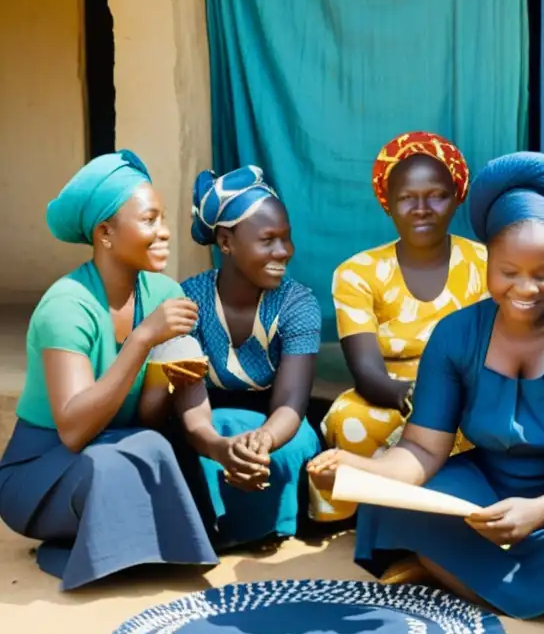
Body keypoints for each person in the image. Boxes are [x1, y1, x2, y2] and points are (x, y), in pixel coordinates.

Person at [308, 152, 544, 634]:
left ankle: (460, 578)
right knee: (393, 505)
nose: (525, 288)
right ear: (488, 260)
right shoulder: (455, 335)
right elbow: (424, 448)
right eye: (509, 272)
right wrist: (360, 468)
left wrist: (540, 510)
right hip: (485, 486)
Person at [0, 151, 218, 589]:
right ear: (105, 233)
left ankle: (121, 546)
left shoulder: (163, 293)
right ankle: (99, 546)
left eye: (163, 219)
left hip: (116, 445)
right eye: (150, 220)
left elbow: (147, 419)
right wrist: (142, 340)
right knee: (116, 466)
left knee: (156, 448)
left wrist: (170, 390)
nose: (164, 233)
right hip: (42, 467)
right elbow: (75, 431)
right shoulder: (67, 307)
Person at [310, 132, 488, 522]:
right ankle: (367, 518)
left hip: (470, 391)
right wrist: (416, 397)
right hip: (392, 393)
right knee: (348, 417)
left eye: (436, 195)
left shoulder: (486, 263)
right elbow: (367, 373)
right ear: (387, 204)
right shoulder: (358, 273)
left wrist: (450, 397)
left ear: (458, 197)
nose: (422, 208)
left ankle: (443, 511)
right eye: (407, 198)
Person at [175, 166, 322, 548]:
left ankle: (258, 527)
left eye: (286, 239)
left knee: (296, 444)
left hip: (276, 423)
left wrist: (264, 440)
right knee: (204, 438)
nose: (283, 252)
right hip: (207, 422)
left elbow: (291, 402)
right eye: (268, 240)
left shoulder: (297, 303)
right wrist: (218, 445)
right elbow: (190, 404)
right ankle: (213, 530)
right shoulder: (187, 302)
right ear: (226, 242)